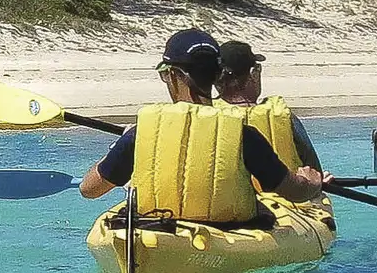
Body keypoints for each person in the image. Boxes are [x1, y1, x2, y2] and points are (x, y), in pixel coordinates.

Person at [80, 28, 331, 221]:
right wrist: (311, 182)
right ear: (214, 76)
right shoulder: (244, 136)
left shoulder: (143, 133)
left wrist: (118, 148)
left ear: (174, 75)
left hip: (159, 231)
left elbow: (89, 189)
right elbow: (292, 191)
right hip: (227, 230)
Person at [213, 38, 324, 177]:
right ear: (253, 74)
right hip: (290, 196)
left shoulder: (208, 116)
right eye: (258, 68)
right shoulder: (281, 115)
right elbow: (315, 171)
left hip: (234, 198)